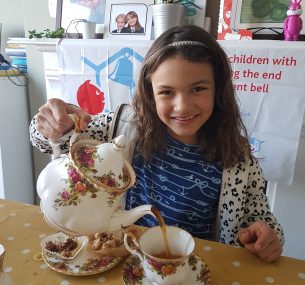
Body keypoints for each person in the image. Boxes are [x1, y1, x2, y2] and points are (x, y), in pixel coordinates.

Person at [30, 25, 284, 262]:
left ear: (218, 89)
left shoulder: (237, 156)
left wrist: (267, 235)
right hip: (122, 260)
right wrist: (53, 124)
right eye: (166, 92)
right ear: (150, 93)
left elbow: (258, 216)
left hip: (195, 267)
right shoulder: (124, 127)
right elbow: (45, 141)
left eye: (198, 89)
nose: (182, 106)